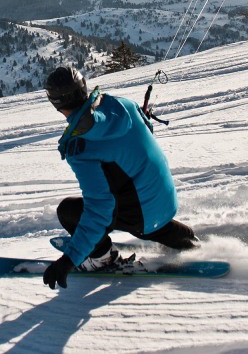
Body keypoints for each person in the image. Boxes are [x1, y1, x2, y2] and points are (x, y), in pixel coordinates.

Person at [42, 65, 198, 290]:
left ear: (56, 103)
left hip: (142, 216)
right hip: (164, 198)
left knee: (68, 211)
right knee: (122, 183)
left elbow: (99, 209)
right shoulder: (122, 104)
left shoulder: (82, 146)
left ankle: (101, 258)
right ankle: (183, 238)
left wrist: (69, 259)